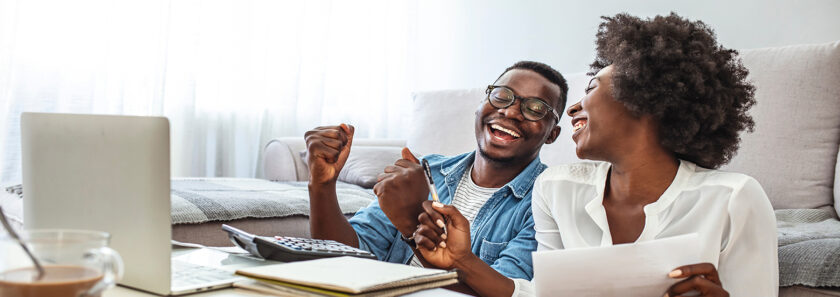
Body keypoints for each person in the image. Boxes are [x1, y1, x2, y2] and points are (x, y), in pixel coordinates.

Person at [414, 13, 778, 297]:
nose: (573, 109)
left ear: (643, 99)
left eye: (591, 88)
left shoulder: (734, 199)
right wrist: (463, 261)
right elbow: (541, 293)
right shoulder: (557, 189)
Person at [303, 61, 568, 295]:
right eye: (502, 96)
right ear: (481, 104)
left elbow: (506, 292)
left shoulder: (547, 199)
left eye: (535, 108)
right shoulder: (429, 171)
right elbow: (343, 255)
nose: (510, 112)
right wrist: (322, 185)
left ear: (552, 134)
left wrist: (410, 224)